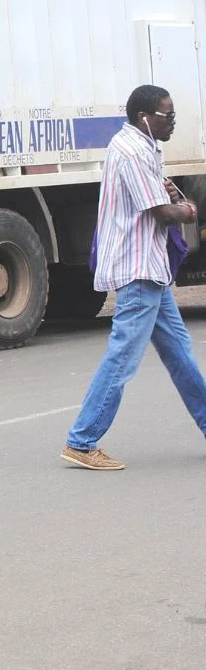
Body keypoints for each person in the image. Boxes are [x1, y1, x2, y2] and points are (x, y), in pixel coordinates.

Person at [61, 84, 206, 470]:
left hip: (151, 269)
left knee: (180, 355)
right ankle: (82, 439)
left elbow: (154, 201)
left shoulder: (140, 148)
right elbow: (161, 213)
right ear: (145, 117)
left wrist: (171, 195)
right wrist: (188, 209)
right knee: (123, 356)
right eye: (167, 114)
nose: (173, 121)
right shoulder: (132, 152)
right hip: (138, 268)